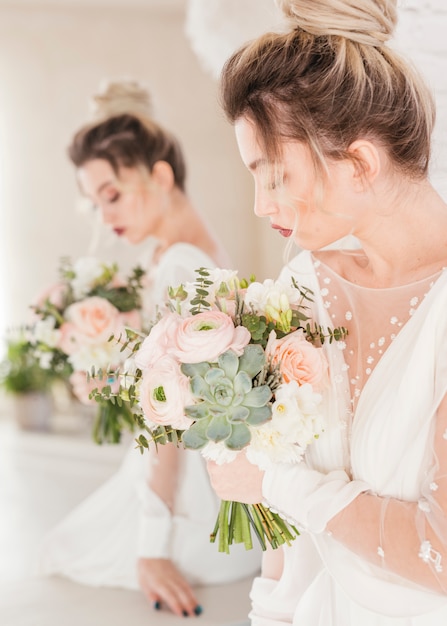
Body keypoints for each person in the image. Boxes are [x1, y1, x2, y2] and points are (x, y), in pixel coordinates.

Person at [205, 1, 447, 624]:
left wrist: (271, 484)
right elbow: (286, 533)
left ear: (361, 162)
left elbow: (441, 555)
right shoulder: (303, 287)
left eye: (276, 175)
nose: (262, 205)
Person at [38, 79, 261, 618]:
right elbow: (173, 379)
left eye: (111, 195)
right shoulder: (178, 254)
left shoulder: (182, 264)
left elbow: (173, 416)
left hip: (193, 506)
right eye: (94, 204)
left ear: (160, 175)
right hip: (212, 484)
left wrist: (151, 547)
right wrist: (111, 379)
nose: (104, 216)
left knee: (64, 552)